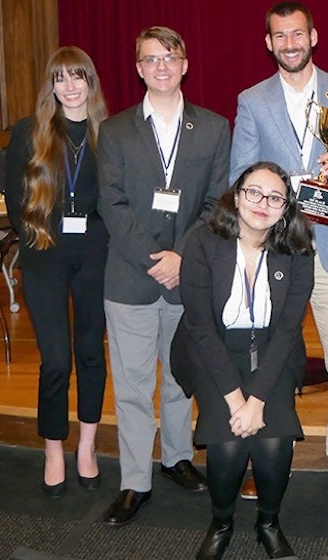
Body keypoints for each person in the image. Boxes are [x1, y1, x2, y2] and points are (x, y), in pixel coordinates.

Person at [230, 0, 328, 505]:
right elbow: (237, 177)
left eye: (298, 34)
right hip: (275, 249)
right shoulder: (252, 100)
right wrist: (278, 185)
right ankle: (261, 456)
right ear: (269, 43)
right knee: (267, 361)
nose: (290, 43)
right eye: (280, 36)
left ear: (314, 37)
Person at [98, 26, 232, 526]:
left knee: (180, 378)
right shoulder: (114, 131)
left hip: (188, 276)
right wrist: (154, 259)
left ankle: (177, 458)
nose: (161, 66)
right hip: (130, 278)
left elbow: (217, 201)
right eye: (151, 59)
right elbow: (110, 203)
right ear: (138, 68)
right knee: (133, 386)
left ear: (185, 64)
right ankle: (135, 480)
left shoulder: (215, 127)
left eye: (170, 57)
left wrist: (182, 258)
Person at [171, 162, 315, 559]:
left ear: (285, 208)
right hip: (213, 350)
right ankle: (221, 523)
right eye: (254, 192)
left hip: (274, 352)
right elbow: (200, 328)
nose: (262, 204)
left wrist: (258, 401)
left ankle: (268, 523)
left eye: (275, 197)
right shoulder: (202, 242)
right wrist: (237, 401)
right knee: (229, 447)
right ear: (237, 196)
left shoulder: (298, 250)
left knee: (273, 443)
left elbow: (288, 331)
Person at [4, 47, 109, 498]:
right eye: (60, 78)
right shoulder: (29, 132)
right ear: (51, 85)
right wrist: (34, 237)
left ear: (90, 82)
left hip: (96, 254)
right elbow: (13, 200)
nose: (69, 86)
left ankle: (86, 446)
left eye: (77, 77)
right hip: (43, 253)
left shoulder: (112, 132)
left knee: (89, 353)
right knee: (55, 360)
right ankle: (53, 449)